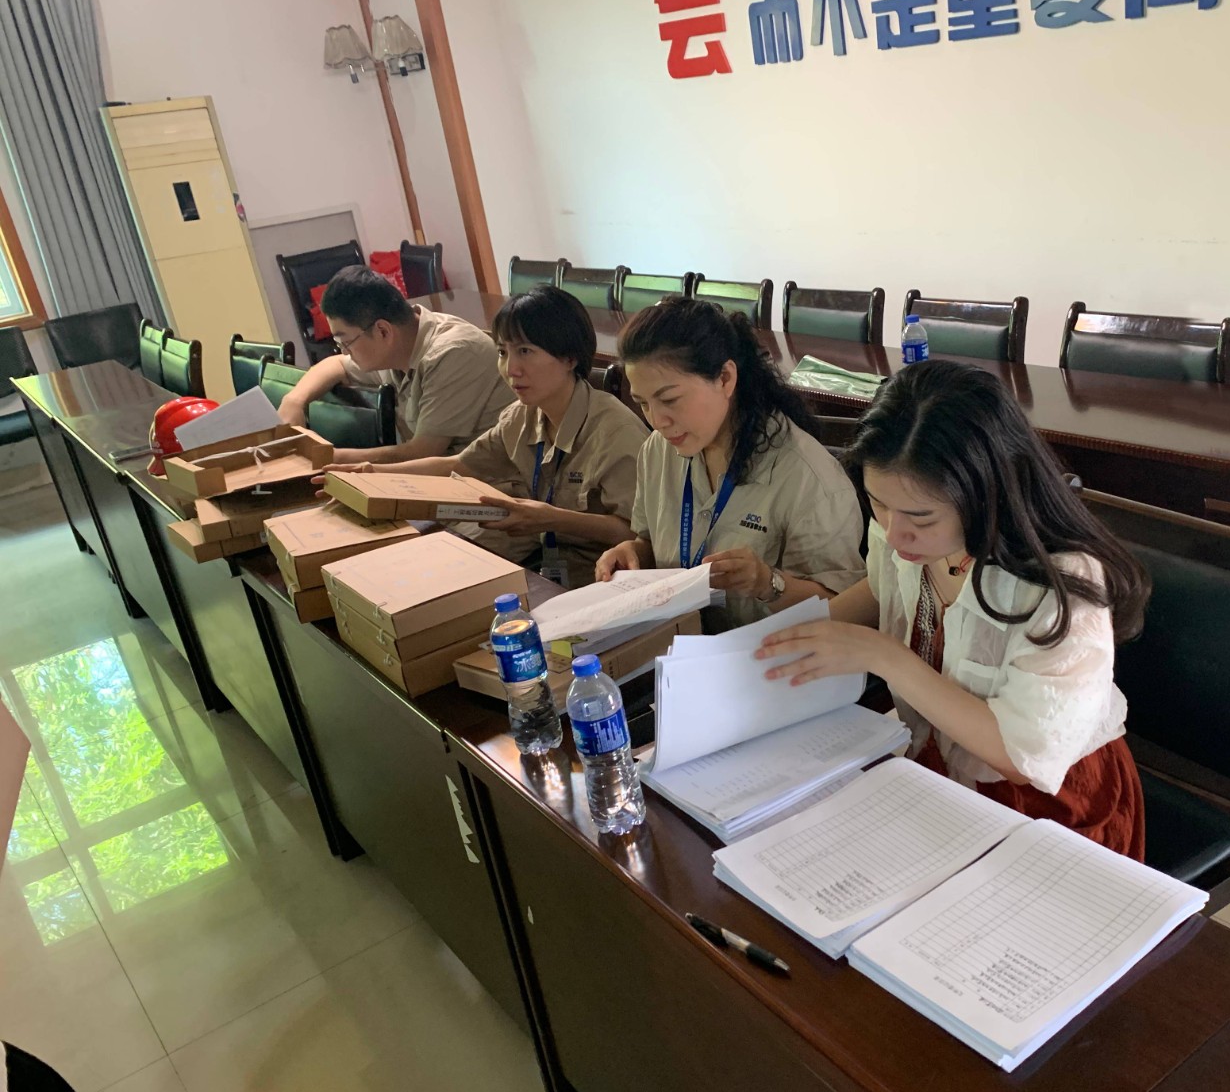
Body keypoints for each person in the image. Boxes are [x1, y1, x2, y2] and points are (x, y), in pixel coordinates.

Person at [755, 360, 1151, 860]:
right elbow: (882, 589)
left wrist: (884, 656)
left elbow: (1021, 757)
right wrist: (785, 643)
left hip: (1050, 803)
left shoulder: (1060, 585)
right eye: (878, 504)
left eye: (920, 518)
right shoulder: (905, 524)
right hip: (940, 765)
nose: (894, 534)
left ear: (986, 491)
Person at [320, 287, 646, 582]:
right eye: (503, 352)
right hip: (549, 568)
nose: (511, 369)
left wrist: (551, 519)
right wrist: (374, 474)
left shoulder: (613, 431)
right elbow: (459, 465)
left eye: (525, 351)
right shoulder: (521, 417)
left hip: (607, 578)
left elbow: (638, 532)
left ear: (569, 358)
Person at [595, 297, 865, 632]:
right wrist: (633, 551)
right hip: (676, 641)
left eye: (669, 400)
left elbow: (844, 609)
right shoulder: (657, 450)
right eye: (643, 404)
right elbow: (650, 542)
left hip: (768, 654)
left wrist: (768, 583)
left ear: (725, 378)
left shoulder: (808, 476)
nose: (657, 421)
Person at [275, 266, 513, 464]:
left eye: (345, 342)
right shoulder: (396, 347)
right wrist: (294, 401)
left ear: (382, 331)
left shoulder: (452, 353)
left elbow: (422, 452)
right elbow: (337, 364)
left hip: (495, 486)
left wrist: (326, 457)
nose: (344, 351)